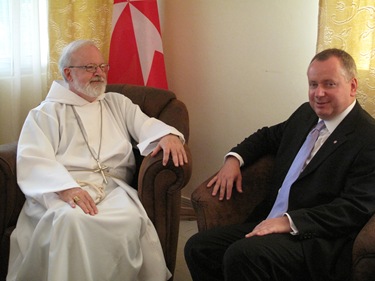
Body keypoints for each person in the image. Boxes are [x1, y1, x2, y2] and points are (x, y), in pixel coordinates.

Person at [184, 48, 375, 281]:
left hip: (313, 238)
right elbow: (267, 137)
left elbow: (354, 207)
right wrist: (233, 159)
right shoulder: (306, 114)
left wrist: (290, 222)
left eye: (329, 84)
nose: (319, 93)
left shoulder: (367, 137)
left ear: (352, 86)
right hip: (270, 218)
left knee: (242, 254)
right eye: (313, 84)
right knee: (199, 247)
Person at [7, 39, 188, 281]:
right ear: (68, 73)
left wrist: (167, 135)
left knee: (129, 219)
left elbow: (145, 126)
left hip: (114, 190)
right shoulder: (45, 113)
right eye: (90, 67)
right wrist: (65, 188)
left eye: (102, 66)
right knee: (72, 221)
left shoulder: (117, 103)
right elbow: (33, 157)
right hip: (65, 189)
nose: (99, 73)